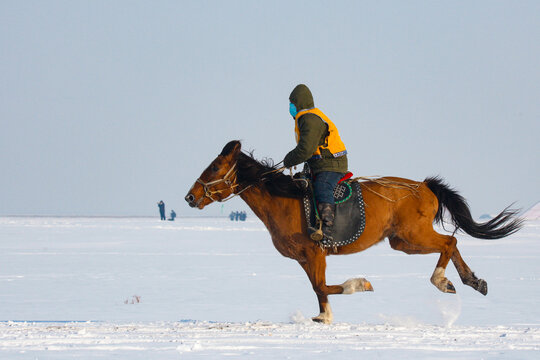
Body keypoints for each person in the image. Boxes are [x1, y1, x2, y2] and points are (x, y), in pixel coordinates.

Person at [283, 84, 348, 243]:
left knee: (322, 186)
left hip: (331, 164)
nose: (290, 107)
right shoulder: (307, 117)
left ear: (298, 102)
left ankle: (326, 228)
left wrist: (289, 160)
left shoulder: (309, 119)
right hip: (320, 164)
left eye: (292, 103)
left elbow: (306, 149)